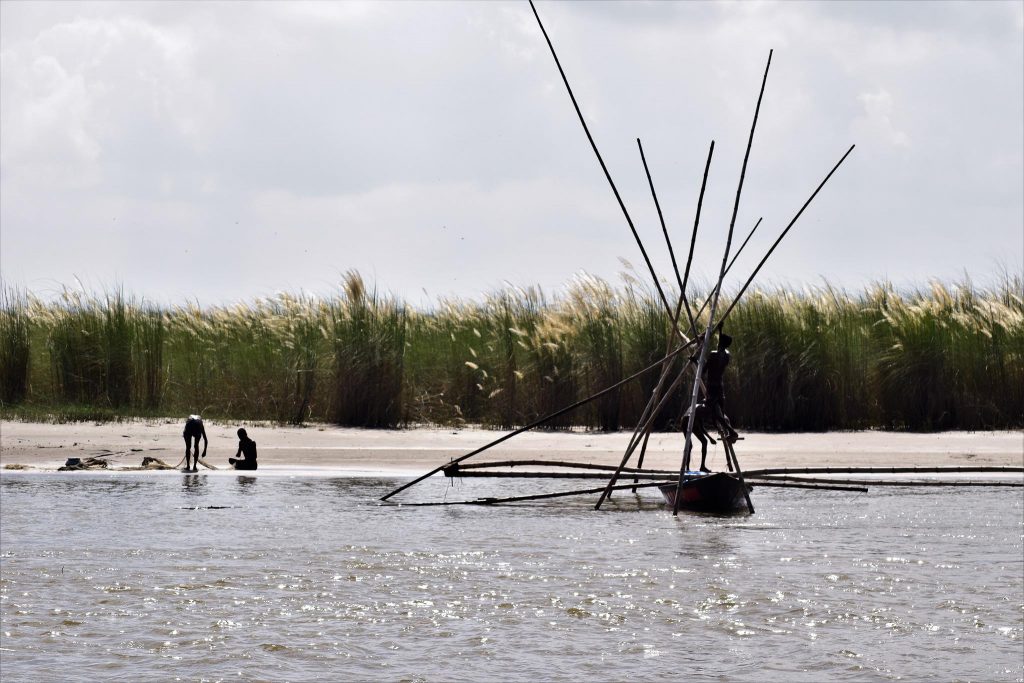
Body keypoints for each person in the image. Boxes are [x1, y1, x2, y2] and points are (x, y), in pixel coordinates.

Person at [696, 330, 739, 444]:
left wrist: (696, 362)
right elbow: (721, 348)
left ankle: (731, 431)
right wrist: (720, 330)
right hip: (720, 387)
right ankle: (730, 431)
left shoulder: (713, 354)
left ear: (720, 343)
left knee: (716, 414)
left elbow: (703, 370)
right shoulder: (727, 355)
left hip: (711, 388)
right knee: (719, 413)